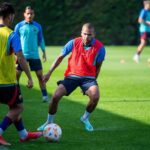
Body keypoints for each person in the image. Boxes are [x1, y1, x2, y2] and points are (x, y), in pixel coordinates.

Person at [37, 23, 106, 132]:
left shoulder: (100, 48)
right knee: (55, 96)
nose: (86, 37)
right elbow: (60, 58)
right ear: (81, 33)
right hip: (71, 76)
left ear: (94, 35)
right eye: (84, 34)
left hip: (88, 78)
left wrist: (93, 83)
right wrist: (49, 72)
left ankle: (85, 118)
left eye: (89, 35)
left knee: (95, 97)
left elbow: (98, 67)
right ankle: (49, 122)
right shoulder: (73, 43)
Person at [0, 2, 42, 146]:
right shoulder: (11, 34)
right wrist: (30, 77)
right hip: (6, 82)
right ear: (10, 16)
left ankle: (23, 134)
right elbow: (21, 57)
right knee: (18, 107)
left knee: (14, 106)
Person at [14, 6, 48, 102]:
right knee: (16, 76)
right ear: (24, 14)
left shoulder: (38, 26)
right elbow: (15, 41)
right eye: (28, 13)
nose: (29, 15)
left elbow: (41, 39)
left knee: (40, 76)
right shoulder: (19, 26)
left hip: (35, 56)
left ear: (34, 15)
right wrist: (15, 54)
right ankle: (18, 95)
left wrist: (44, 52)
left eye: (31, 13)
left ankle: (45, 96)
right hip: (22, 56)